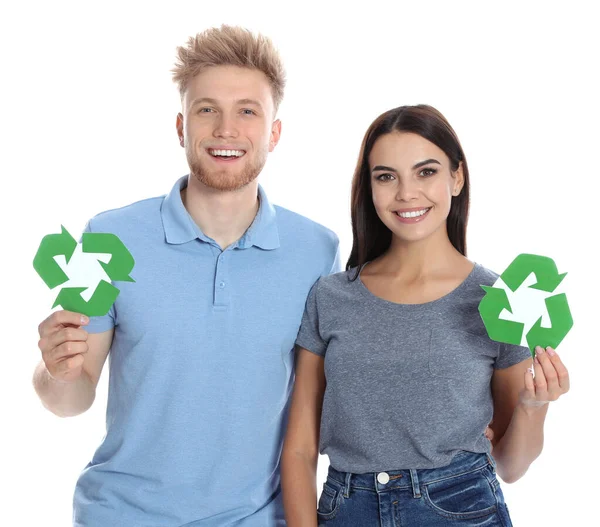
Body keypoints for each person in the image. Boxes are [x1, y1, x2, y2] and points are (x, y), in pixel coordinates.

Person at [33, 25, 339, 527]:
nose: (226, 129)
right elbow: (71, 396)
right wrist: (55, 371)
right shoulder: (108, 238)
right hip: (122, 516)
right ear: (181, 127)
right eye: (207, 109)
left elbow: (322, 405)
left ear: (274, 133)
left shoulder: (318, 250)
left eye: (247, 110)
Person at [281, 104, 570, 526]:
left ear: (457, 177)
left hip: (460, 507)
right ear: (370, 187)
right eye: (386, 176)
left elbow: (510, 466)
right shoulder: (330, 297)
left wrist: (533, 405)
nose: (406, 193)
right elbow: (300, 450)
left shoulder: (499, 300)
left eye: (426, 172)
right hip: (347, 509)